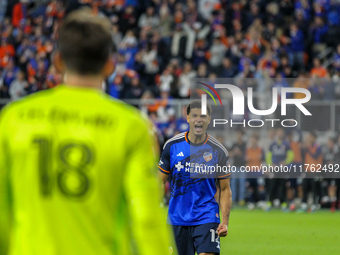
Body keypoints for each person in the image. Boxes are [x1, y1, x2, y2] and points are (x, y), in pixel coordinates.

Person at [0, 9, 175, 255]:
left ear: (58, 61)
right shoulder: (131, 125)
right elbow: (146, 218)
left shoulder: (13, 118)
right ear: (109, 65)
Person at [158, 100, 232, 255]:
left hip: (207, 214)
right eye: (195, 115)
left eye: (203, 116)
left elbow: (225, 189)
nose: (199, 119)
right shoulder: (172, 146)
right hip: (177, 217)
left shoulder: (218, 150)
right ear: (188, 118)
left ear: (209, 119)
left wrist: (224, 222)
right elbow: (159, 181)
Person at [265, 128, 294, 211]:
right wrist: (271, 164)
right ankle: (270, 202)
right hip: (275, 169)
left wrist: (285, 162)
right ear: (276, 133)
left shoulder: (286, 144)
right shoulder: (273, 144)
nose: (280, 134)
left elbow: (291, 155)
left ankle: (283, 203)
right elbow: (268, 156)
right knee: (273, 185)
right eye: (279, 132)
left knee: (283, 185)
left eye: (281, 132)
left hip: (283, 169)